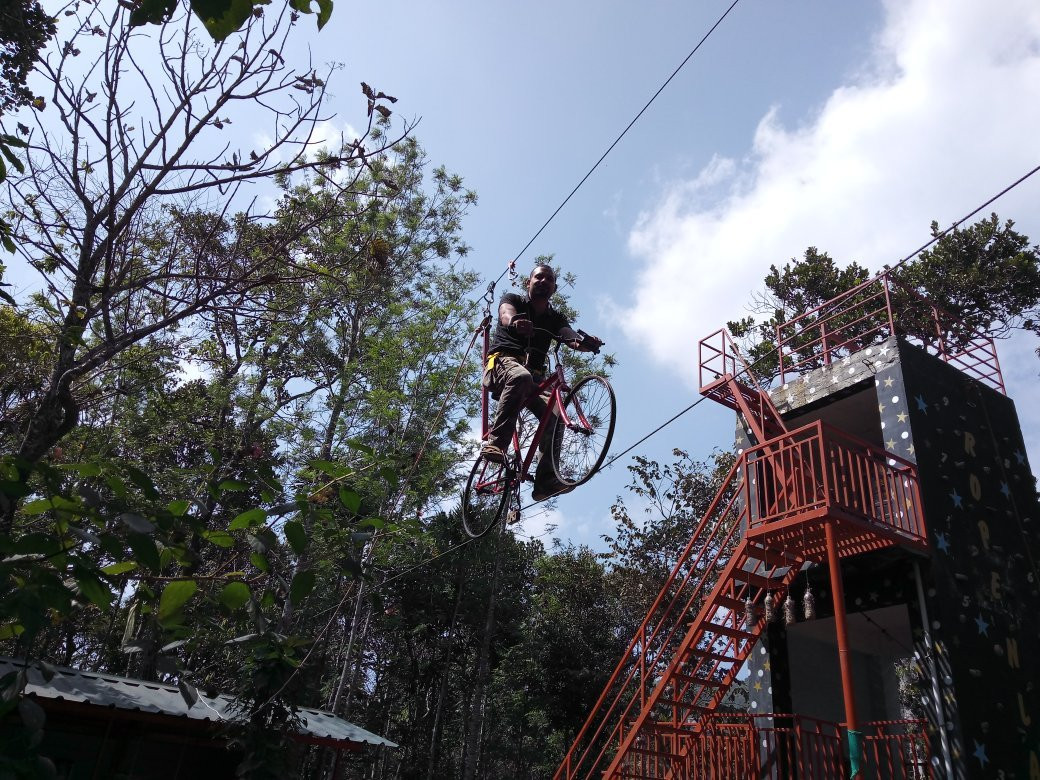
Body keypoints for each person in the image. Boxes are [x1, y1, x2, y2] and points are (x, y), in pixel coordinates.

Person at [481, 264, 604, 501]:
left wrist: (584, 343)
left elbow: (568, 335)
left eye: (549, 279)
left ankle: (546, 480)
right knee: (520, 377)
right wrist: (514, 321)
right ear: (529, 282)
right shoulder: (513, 300)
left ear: (554, 288)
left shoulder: (554, 317)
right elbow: (505, 313)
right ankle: (496, 444)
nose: (543, 281)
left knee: (556, 415)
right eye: (538, 277)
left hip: (533, 377)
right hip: (502, 364)